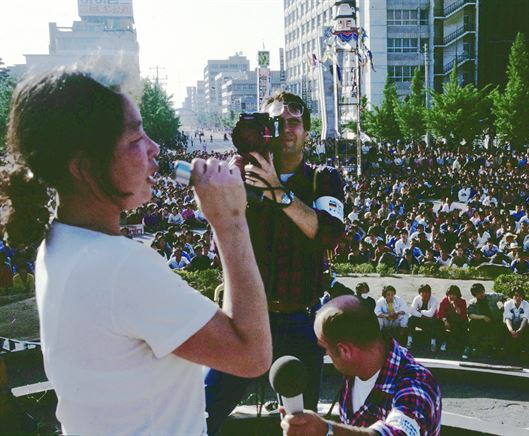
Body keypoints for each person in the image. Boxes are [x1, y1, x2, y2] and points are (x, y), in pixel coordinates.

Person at [0, 71, 271, 434]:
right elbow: (252, 355)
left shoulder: (59, 242)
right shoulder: (120, 266)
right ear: (83, 168)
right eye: (135, 136)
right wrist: (231, 220)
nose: (154, 148)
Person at [206, 91, 345, 432]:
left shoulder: (322, 178)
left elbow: (328, 234)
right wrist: (230, 186)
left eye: (294, 122)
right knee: (203, 412)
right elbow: (217, 240)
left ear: (307, 133)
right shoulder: (239, 176)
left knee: (299, 424)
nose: (285, 130)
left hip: (300, 318)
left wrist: (276, 191)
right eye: (276, 123)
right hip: (245, 318)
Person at [280, 295, 442, 436]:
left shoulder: (416, 384)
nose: (325, 354)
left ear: (344, 350)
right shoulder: (356, 368)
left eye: (325, 348)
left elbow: (398, 433)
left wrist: (327, 431)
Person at [464, 283, 505, 359]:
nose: (481, 294)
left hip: (495, 320)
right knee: (472, 324)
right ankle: (472, 347)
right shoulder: (473, 302)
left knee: (499, 328)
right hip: (482, 321)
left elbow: (504, 297)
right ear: (474, 294)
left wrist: (503, 309)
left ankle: (497, 349)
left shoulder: (492, 296)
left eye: (482, 292)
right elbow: (470, 314)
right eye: (478, 293)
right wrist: (483, 317)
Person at [407, 284, 442, 352]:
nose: (425, 294)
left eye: (427, 292)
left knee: (435, 321)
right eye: (423, 292)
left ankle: (433, 342)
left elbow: (430, 314)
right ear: (420, 293)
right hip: (421, 320)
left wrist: (420, 311)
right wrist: (421, 315)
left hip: (430, 322)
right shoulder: (417, 298)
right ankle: (409, 340)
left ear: (430, 293)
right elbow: (411, 310)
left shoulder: (434, 300)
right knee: (411, 319)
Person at [436, 285, 468, 352]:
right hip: (447, 321)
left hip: (459, 321)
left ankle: (461, 345)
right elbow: (440, 313)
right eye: (450, 294)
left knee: (460, 327)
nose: (451, 296)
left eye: (454, 295)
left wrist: (455, 305)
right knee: (438, 323)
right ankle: (443, 342)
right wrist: (445, 321)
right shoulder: (444, 301)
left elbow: (462, 314)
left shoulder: (462, 302)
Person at [502, 288, 529, 358]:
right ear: (512, 296)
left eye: (520, 296)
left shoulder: (527, 304)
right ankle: (505, 351)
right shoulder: (507, 304)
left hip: (522, 324)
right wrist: (511, 330)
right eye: (516, 295)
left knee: (528, 329)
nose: (518, 298)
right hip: (511, 324)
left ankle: (526, 352)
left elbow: (525, 319)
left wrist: (520, 329)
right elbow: (507, 318)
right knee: (503, 328)